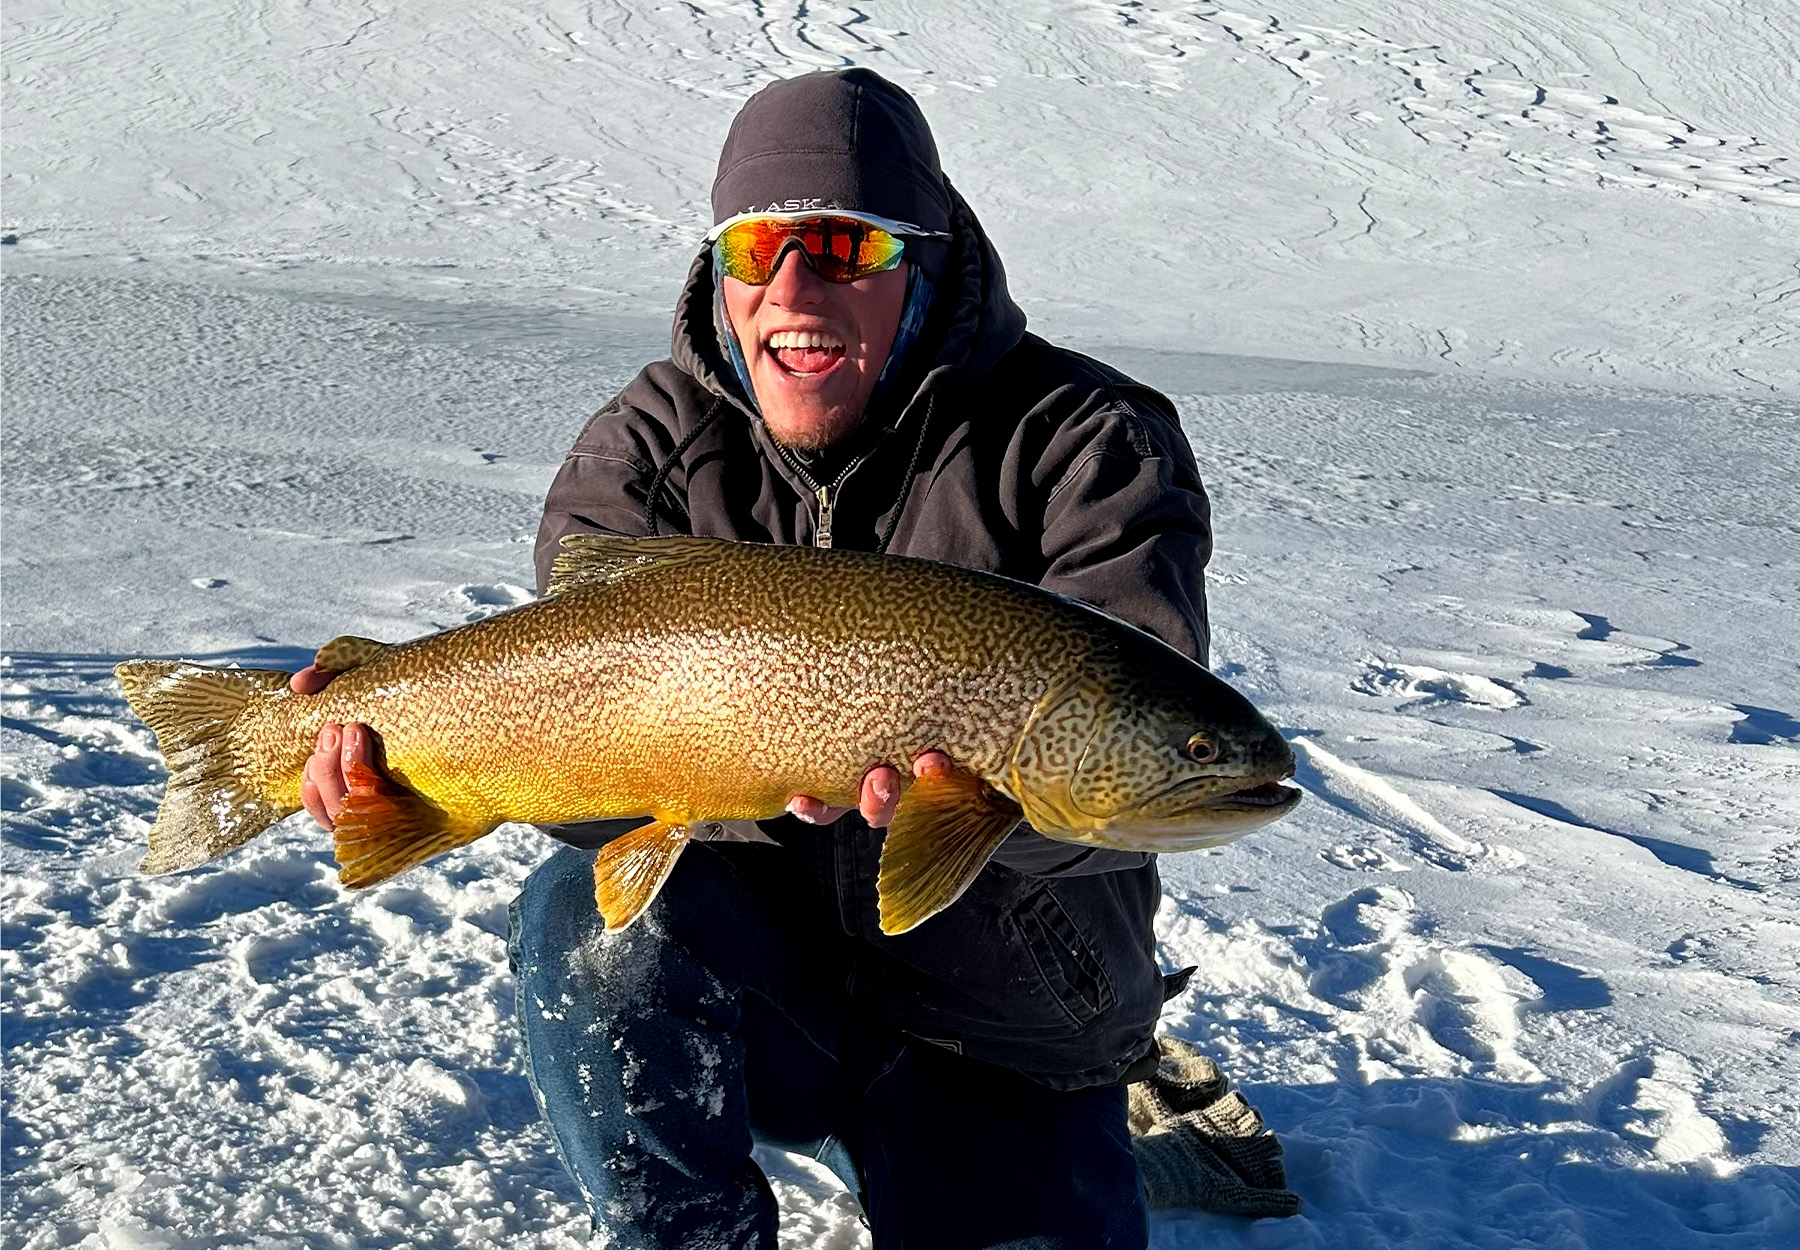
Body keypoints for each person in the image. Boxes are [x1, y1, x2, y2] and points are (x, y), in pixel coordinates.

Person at [292, 68, 1245, 1248]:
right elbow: (582, 739)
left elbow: (1125, 737)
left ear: (925, 257)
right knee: (585, 921)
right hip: (768, 1002)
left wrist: (971, 812)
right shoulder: (646, 446)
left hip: (1009, 1029)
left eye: (846, 245)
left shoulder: (1082, 438)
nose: (794, 287)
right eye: (757, 249)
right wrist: (399, 774)